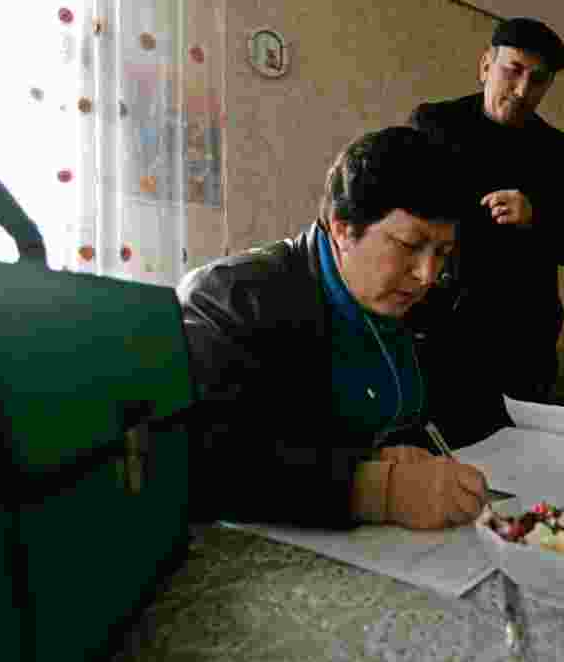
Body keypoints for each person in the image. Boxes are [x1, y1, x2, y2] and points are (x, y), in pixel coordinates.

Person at [177, 126, 497, 530]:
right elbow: (203, 462)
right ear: (344, 227)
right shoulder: (228, 299)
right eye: (410, 245)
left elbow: (448, 413)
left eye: (442, 253)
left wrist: (402, 452)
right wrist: (378, 489)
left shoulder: (423, 301)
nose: (427, 275)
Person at [408, 17, 564, 405]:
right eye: (512, 71)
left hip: (525, 336)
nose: (521, 90)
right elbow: (402, 213)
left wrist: (537, 217)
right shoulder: (433, 124)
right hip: (442, 326)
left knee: (525, 452)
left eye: (538, 79)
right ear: (485, 66)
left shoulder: (563, 153)